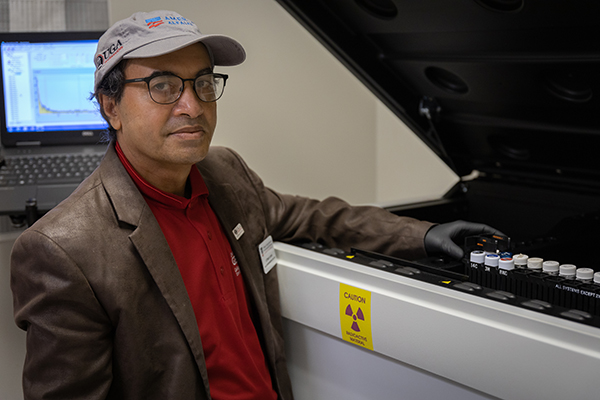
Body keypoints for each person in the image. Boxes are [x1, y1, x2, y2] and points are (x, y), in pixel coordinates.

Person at [10, 10, 501, 400]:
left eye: (203, 82)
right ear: (111, 107)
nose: (193, 105)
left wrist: (422, 235)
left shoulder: (225, 175)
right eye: (162, 85)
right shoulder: (63, 250)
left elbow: (314, 216)